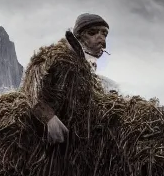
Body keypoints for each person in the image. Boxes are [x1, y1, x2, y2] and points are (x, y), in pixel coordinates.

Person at [22, 13, 110, 144]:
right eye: (92, 33)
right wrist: (49, 119)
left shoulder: (85, 69)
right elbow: (31, 88)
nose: (101, 39)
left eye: (104, 34)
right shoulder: (57, 57)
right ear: (78, 37)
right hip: (39, 140)